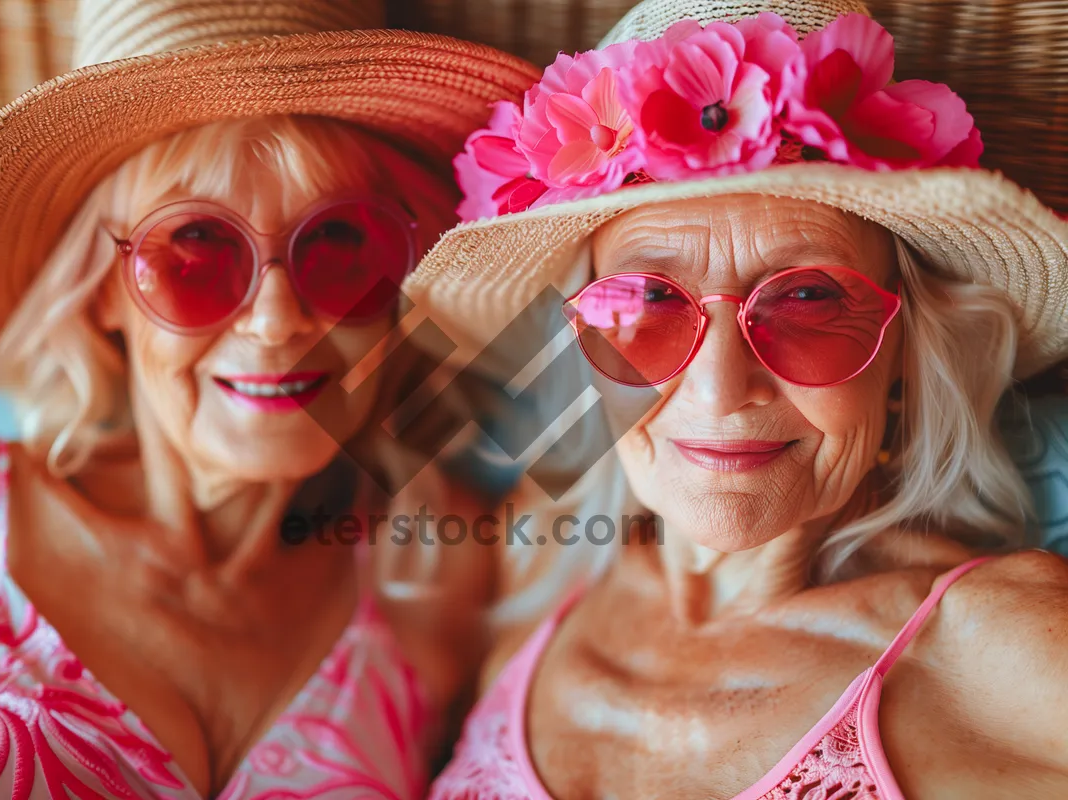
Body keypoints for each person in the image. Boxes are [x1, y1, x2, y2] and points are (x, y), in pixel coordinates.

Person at [0, 0, 541, 798]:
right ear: (102, 293)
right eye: (195, 248)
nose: (276, 320)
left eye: (339, 243)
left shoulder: (443, 578)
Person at [403, 0, 1068, 797]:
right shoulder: (529, 566)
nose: (721, 388)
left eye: (811, 299)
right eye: (647, 300)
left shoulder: (997, 645)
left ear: (906, 351)